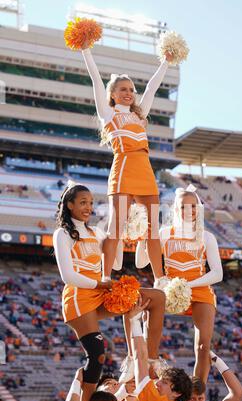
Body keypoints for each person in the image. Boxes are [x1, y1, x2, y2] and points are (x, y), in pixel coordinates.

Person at [53, 182, 166, 401]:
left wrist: (122, 234)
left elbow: (115, 263)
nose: (88, 207)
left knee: (156, 298)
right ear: (69, 204)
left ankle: (145, 360)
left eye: (91, 203)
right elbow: (68, 276)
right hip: (79, 298)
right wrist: (100, 283)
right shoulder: (62, 234)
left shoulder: (97, 233)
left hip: (101, 293)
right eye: (83, 202)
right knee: (97, 357)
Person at [82, 44, 174, 286]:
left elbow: (153, 87)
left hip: (145, 171)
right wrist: (85, 51)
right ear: (113, 94)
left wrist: (165, 61)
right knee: (115, 227)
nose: (129, 93)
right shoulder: (109, 115)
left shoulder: (139, 115)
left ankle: (160, 278)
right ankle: (105, 276)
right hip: (122, 170)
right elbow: (96, 81)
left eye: (131, 90)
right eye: (123, 89)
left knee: (154, 228)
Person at [156, 185, 222, 384]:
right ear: (176, 208)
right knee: (146, 321)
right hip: (169, 290)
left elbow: (218, 274)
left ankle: (197, 392)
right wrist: (144, 240)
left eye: (193, 206)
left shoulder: (207, 236)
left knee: (203, 346)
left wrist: (187, 285)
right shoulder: (164, 233)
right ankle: (146, 378)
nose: (189, 210)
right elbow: (141, 263)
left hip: (200, 291)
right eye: (184, 206)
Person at [128, 300, 193, 401]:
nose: (156, 383)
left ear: (176, 393)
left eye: (164, 382)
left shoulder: (154, 399)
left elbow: (139, 357)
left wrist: (133, 320)